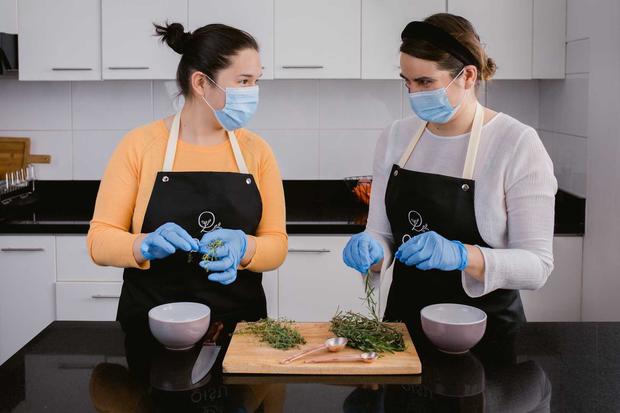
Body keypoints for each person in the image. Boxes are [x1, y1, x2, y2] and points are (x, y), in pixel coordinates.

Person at [342, 13, 557, 344]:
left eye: (425, 82)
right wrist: (373, 251)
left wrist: (461, 255)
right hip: (405, 330)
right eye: (407, 82)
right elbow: (382, 233)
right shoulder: (396, 137)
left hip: (487, 334)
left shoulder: (515, 143)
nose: (413, 93)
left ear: (468, 76)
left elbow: (537, 266)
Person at [87, 22, 287, 334]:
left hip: (240, 328)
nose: (252, 93)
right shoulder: (140, 145)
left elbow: (277, 244)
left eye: (256, 82)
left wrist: (245, 248)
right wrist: (143, 245)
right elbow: (99, 241)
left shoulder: (257, 152)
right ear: (200, 83)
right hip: (151, 325)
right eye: (243, 81)